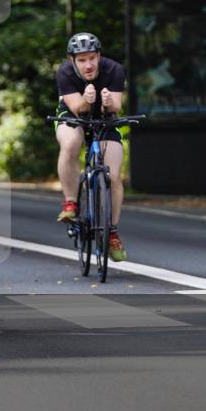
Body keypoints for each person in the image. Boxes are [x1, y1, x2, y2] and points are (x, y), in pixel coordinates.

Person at [54, 32, 128, 262]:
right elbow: (77, 108)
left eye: (92, 58)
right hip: (74, 116)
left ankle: (112, 231)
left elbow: (117, 104)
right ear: (72, 61)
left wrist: (107, 102)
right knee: (71, 143)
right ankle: (70, 201)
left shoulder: (114, 70)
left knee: (113, 175)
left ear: (99, 56)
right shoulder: (64, 73)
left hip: (105, 119)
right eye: (82, 60)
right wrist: (87, 99)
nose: (88, 65)